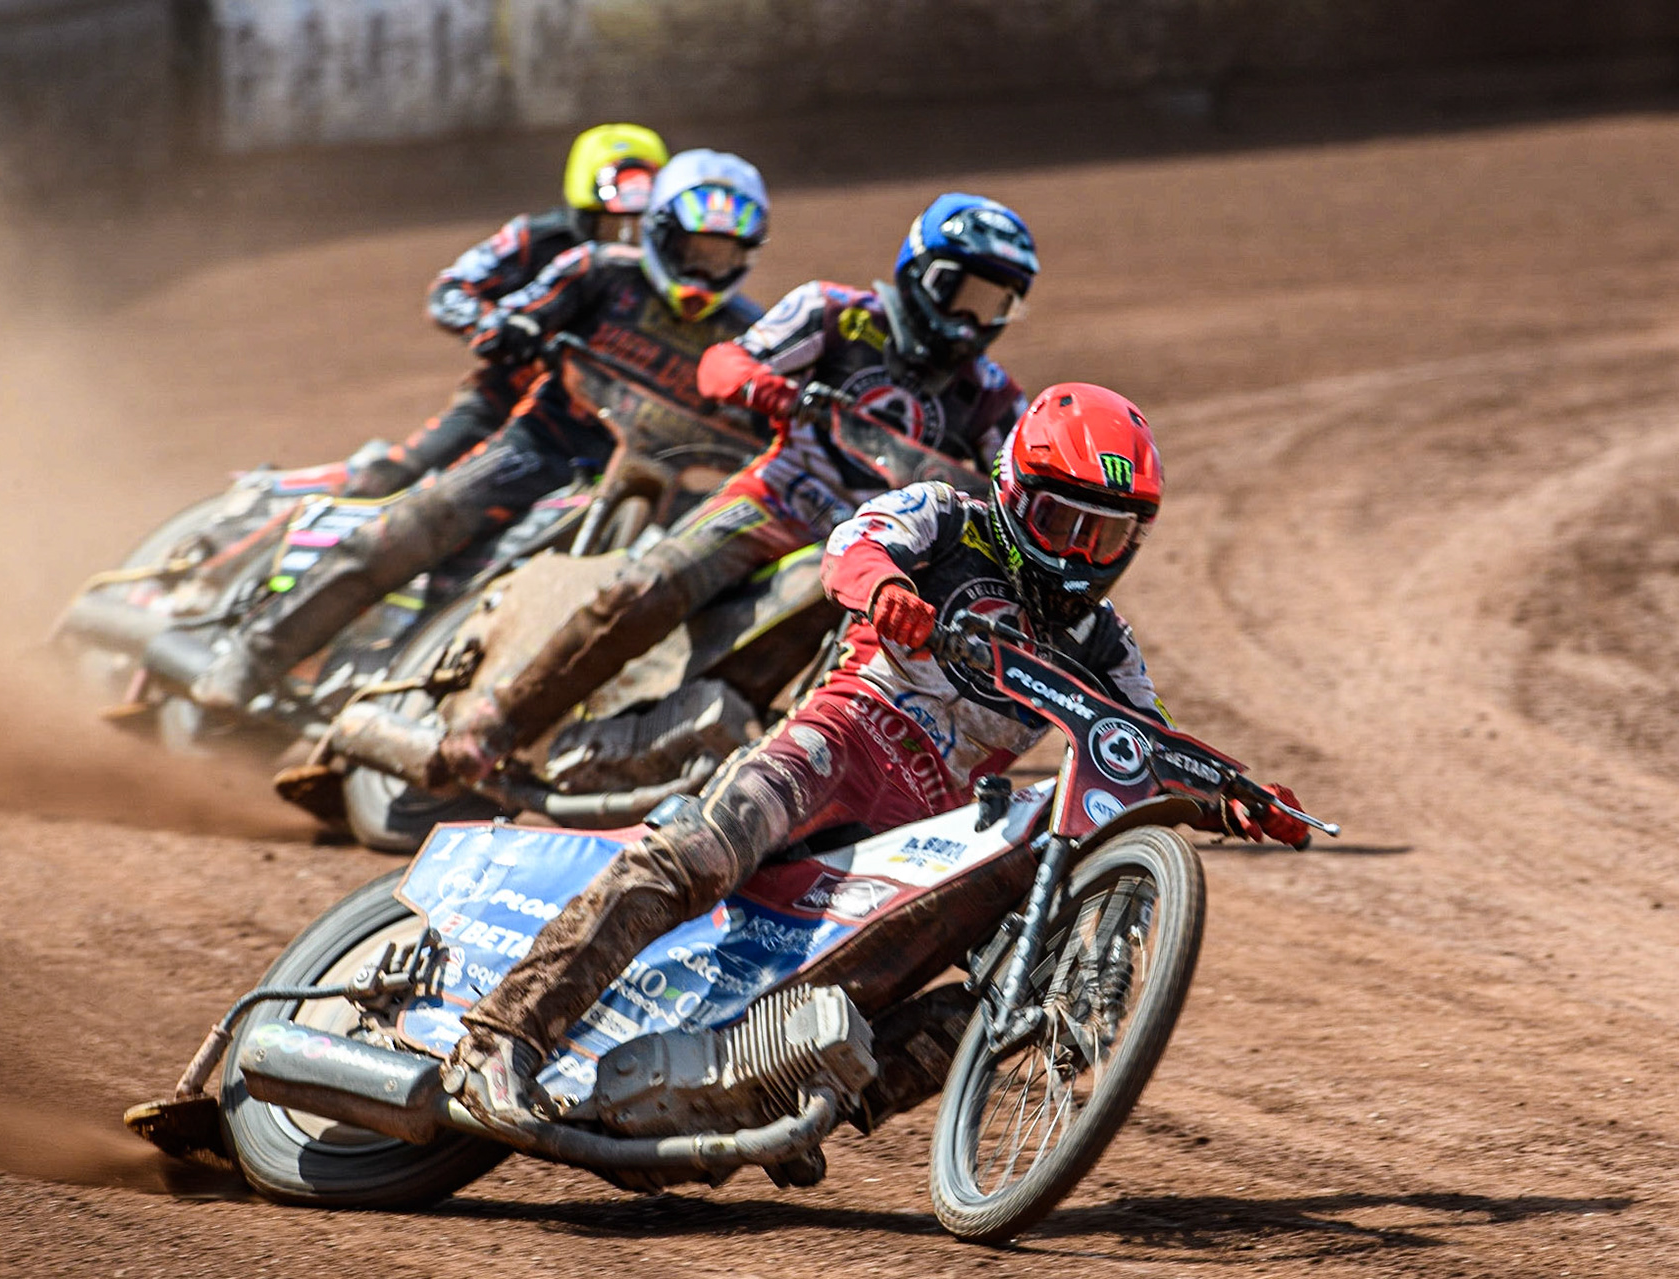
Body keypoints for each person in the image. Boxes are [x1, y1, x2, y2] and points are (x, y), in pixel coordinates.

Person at [438, 382, 1313, 1124]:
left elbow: (1143, 746)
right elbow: (851, 544)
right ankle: (500, 1038)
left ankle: (784, 1106)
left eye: (1106, 536)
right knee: (696, 854)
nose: (1080, 555)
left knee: (975, 994)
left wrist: (1232, 794)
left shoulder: (1106, 643)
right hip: (839, 737)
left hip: (923, 833)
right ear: (1013, 489)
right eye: (1062, 522)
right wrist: (888, 590)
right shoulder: (946, 517)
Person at [387, 193, 1040, 789]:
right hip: (774, 502)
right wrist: (766, 386)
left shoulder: (993, 396)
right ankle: (488, 731)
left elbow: (1019, 484)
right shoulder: (834, 313)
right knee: (645, 589)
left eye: (992, 304)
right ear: (919, 272)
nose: (968, 320)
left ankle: (721, 757)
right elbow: (723, 362)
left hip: (866, 550)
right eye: (960, 293)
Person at [187, 149, 771, 712]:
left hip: (639, 485)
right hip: (540, 445)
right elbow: (514, 312)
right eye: (691, 249)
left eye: (720, 256)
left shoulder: (749, 336)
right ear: (658, 234)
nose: (702, 270)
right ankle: (254, 655)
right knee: (419, 523)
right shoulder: (594, 271)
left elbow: (772, 418)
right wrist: (512, 327)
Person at [343, 123, 670, 499]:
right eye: (614, 226)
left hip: (613, 421)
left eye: (641, 226)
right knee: (391, 479)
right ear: (583, 212)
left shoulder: (678, 272)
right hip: (508, 397)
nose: (628, 243)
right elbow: (450, 289)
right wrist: (498, 327)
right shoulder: (534, 240)